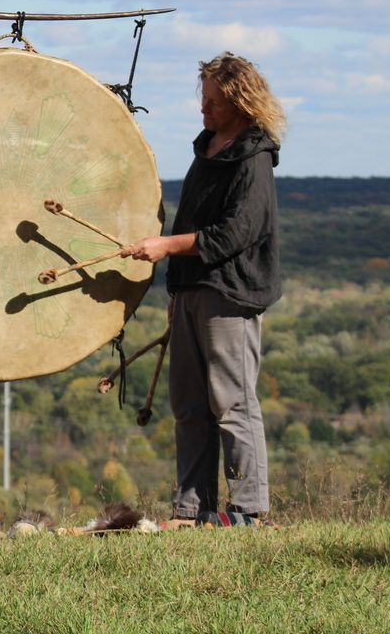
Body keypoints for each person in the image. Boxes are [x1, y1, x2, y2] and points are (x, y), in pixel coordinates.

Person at [124, 52, 286, 524]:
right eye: (204, 99)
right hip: (194, 290)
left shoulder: (253, 157)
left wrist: (166, 247)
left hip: (229, 294)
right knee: (190, 406)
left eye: (214, 101)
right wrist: (176, 292)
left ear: (239, 100)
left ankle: (248, 510)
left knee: (231, 402)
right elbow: (192, 219)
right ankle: (193, 509)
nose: (204, 109)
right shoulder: (209, 148)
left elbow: (238, 232)